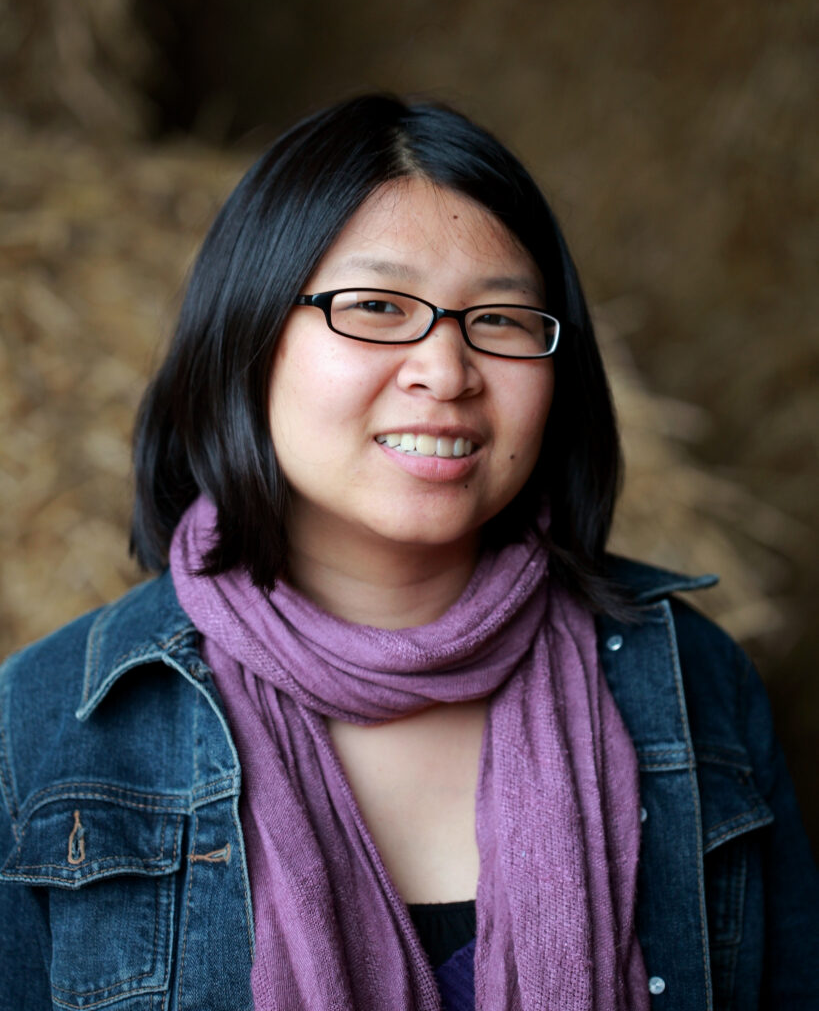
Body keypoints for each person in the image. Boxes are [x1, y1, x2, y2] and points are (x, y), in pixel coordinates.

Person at [0, 94, 816, 1011]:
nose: (446, 369)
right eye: (378, 306)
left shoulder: (689, 678)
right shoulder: (45, 725)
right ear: (248, 336)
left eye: (502, 321)